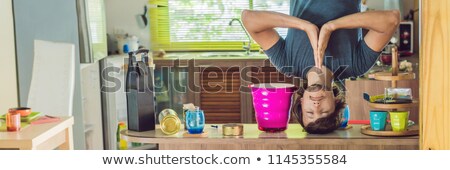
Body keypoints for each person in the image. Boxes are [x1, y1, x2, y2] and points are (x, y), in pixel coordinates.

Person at [241, 0, 399, 134]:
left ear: (301, 102)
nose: (316, 106)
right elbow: (391, 19)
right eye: (324, 112)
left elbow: (248, 18)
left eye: (310, 112)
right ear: (336, 102)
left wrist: (304, 26)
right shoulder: (356, 65)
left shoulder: (287, 63)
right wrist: (331, 26)